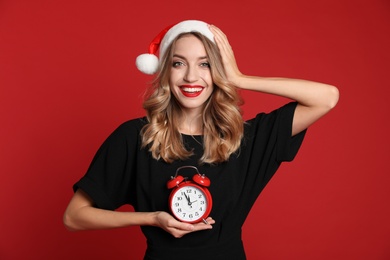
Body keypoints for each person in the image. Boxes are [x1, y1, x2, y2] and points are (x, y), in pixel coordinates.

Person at [63, 20, 339, 259]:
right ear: (165, 72)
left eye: (205, 64)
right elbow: (74, 217)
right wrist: (153, 218)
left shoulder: (245, 139)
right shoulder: (135, 137)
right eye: (178, 63)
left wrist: (239, 78)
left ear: (218, 72)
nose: (191, 76)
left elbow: (326, 98)